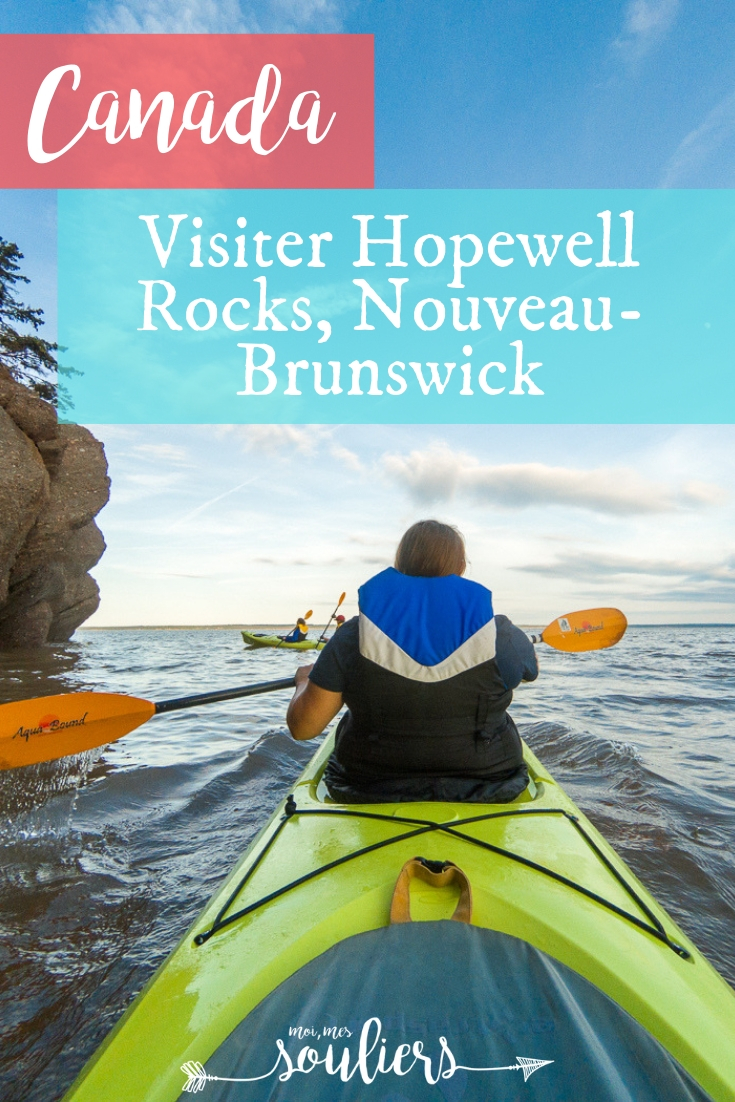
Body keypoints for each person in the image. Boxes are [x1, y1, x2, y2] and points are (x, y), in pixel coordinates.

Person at [287, 520, 538, 803]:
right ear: (461, 568)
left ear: (400, 564)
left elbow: (304, 728)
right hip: (489, 783)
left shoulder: (352, 636)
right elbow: (530, 671)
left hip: (368, 784)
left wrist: (303, 682)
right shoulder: (500, 635)